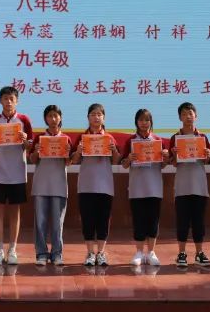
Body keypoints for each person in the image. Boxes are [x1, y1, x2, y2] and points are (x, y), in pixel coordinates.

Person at [0, 86, 33, 265]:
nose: (9, 102)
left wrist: (25, 140)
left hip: (17, 173)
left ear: (17, 101)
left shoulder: (24, 120)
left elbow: (30, 147)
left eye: (12, 98)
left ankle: (12, 249)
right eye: (5, 98)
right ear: (0, 101)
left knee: (14, 212)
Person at [70, 103, 120, 266]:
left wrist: (114, 150)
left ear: (103, 118)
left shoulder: (109, 138)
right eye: (93, 114)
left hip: (105, 185)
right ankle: (90, 253)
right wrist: (78, 150)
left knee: (103, 219)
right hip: (86, 185)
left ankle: (101, 253)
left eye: (99, 114)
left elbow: (116, 161)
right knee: (88, 219)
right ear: (88, 117)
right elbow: (74, 160)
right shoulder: (82, 137)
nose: (96, 117)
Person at [121, 108, 168, 267]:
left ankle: (151, 252)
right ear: (136, 122)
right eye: (141, 120)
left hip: (154, 187)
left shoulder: (158, 141)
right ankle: (139, 252)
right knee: (139, 220)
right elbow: (124, 164)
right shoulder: (130, 141)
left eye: (147, 120)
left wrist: (165, 157)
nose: (144, 123)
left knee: (153, 220)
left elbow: (163, 165)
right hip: (137, 188)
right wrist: (129, 158)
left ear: (151, 122)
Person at [169, 101, 210, 267]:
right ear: (180, 117)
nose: (188, 117)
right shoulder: (175, 138)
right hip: (182, 186)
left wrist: (208, 154)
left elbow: (206, 161)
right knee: (182, 221)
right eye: (184, 114)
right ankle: (181, 253)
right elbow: (173, 163)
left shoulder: (203, 138)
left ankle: (199, 253)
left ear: (196, 116)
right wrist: (174, 155)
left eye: (191, 113)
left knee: (198, 221)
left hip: (199, 186)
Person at [29, 104, 72, 266]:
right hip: (41, 185)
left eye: (56, 116)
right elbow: (32, 160)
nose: (53, 119)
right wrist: (36, 151)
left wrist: (67, 152)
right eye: (50, 116)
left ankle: (57, 254)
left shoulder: (66, 139)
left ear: (60, 118)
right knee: (40, 222)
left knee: (57, 223)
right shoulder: (40, 138)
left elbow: (68, 162)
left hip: (59, 185)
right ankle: (41, 253)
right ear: (45, 119)